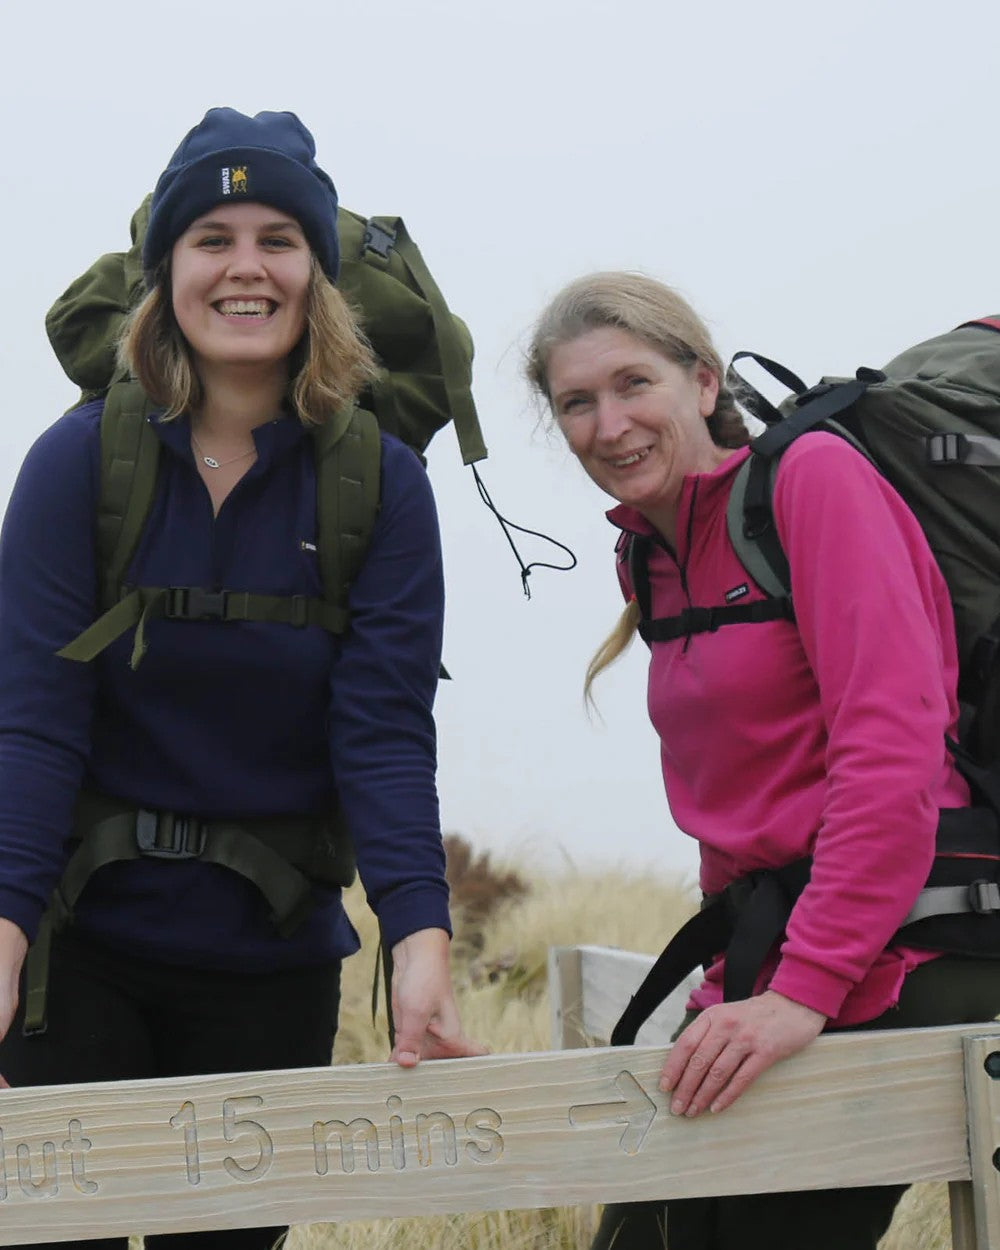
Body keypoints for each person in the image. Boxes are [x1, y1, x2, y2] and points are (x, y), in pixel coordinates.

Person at [0, 108, 484, 1250]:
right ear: (165, 268)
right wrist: (5, 930)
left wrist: (420, 934)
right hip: (82, 952)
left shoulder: (384, 485)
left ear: (317, 272)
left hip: (268, 964)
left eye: (278, 236)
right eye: (211, 236)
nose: (245, 267)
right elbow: (33, 720)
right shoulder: (79, 461)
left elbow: (381, 732)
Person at [525, 271, 1000, 1250]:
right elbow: (739, 803)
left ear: (702, 382)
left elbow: (891, 751)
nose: (608, 423)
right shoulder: (651, 557)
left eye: (633, 384)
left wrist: (800, 992)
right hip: (798, 954)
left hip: (921, 945)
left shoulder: (810, 482)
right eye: (577, 401)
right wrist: (731, 985)